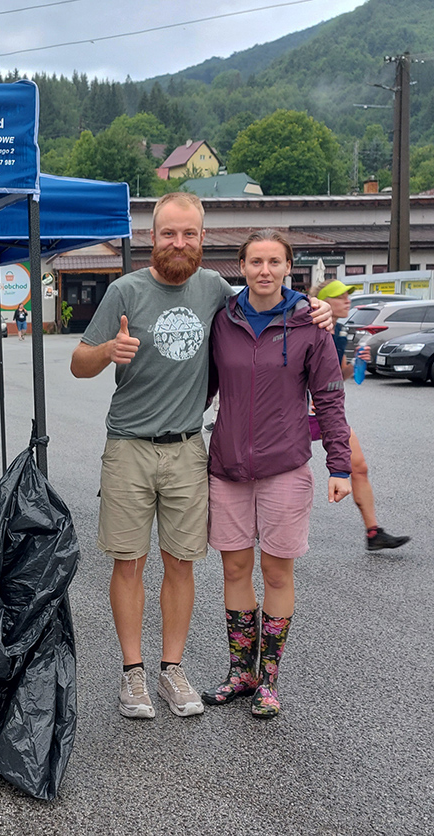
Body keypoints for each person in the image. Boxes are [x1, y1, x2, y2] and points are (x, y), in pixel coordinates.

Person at [69, 192, 334, 721]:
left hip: (190, 448)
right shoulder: (124, 290)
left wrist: (314, 306)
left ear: (202, 239)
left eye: (188, 233)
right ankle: (132, 672)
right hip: (128, 446)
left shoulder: (214, 288)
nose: (179, 242)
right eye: (169, 233)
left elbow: (267, 295)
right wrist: (106, 352)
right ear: (151, 237)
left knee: (181, 562)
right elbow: (79, 363)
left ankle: (172, 668)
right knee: (128, 562)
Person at [203, 230, 352, 718]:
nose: (264, 270)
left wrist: (339, 464)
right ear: (242, 266)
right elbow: (202, 385)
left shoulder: (311, 323)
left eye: (274, 261)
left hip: (284, 467)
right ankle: (240, 672)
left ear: (289, 267)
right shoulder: (223, 319)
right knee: (234, 568)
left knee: (276, 570)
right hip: (227, 467)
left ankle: (268, 680)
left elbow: (329, 396)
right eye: (255, 262)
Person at [313, 279, 410, 551]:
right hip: (294, 413)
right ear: (324, 301)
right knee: (277, 470)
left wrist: (357, 362)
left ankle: (373, 532)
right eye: (340, 296)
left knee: (358, 467)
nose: (347, 301)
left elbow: (338, 375)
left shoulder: (340, 331)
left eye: (348, 296)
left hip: (326, 414)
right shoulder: (307, 326)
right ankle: (260, 524)